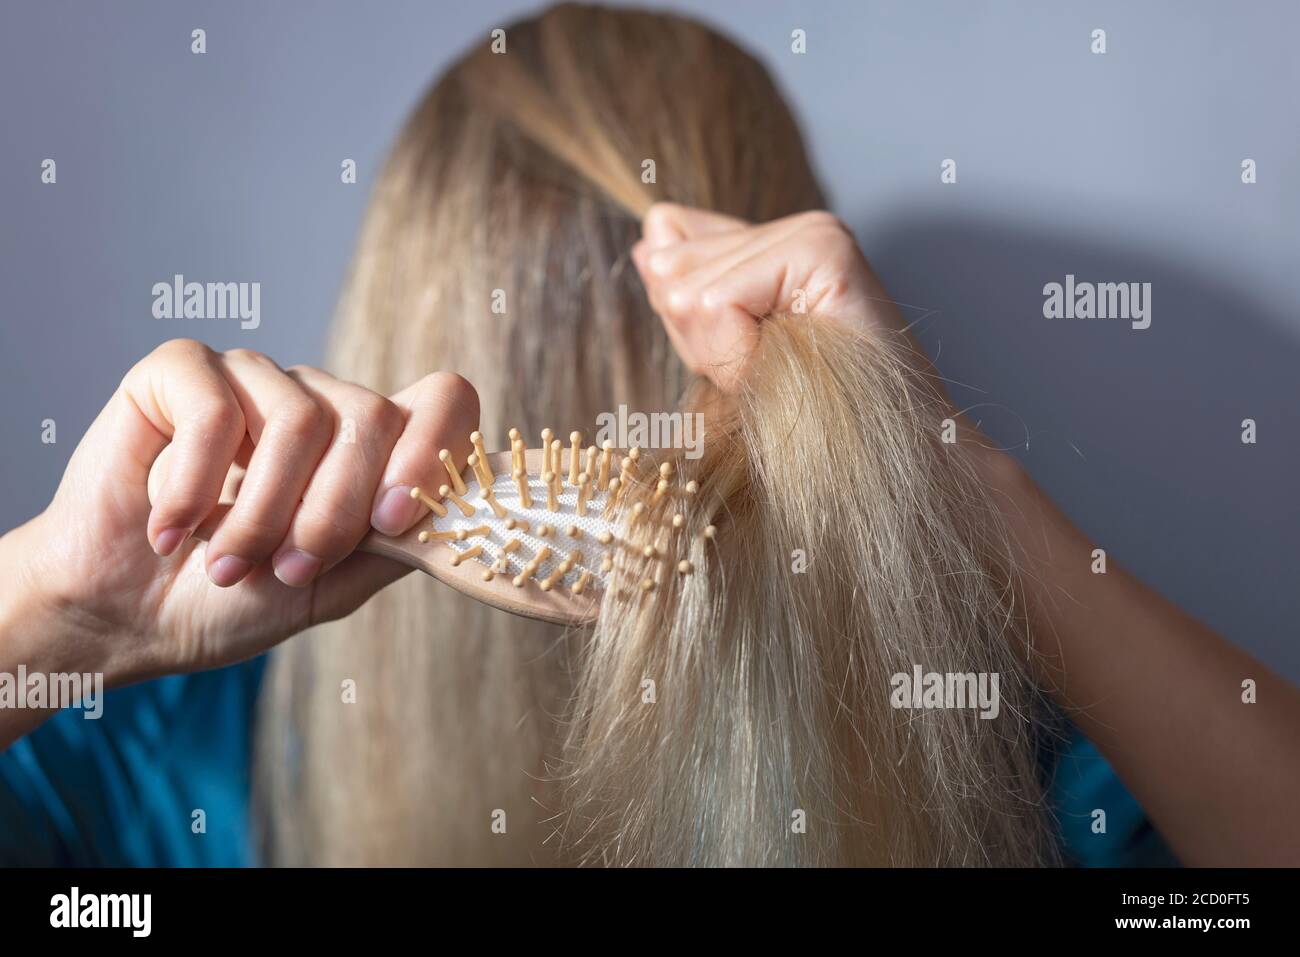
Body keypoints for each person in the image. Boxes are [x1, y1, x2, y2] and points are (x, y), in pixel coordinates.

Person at [1, 4, 1294, 866]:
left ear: (388, 302)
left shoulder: (980, 765)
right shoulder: (160, 748)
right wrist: (53, 620)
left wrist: (944, 484)